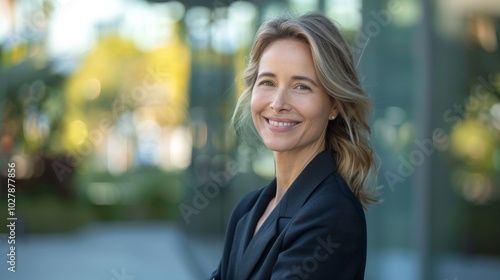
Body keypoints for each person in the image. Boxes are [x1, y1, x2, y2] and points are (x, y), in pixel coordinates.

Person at [209, 12, 378, 280]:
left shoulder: (332, 215)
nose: (278, 102)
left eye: (301, 86)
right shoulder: (247, 210)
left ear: (334, 104)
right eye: (268, 82)